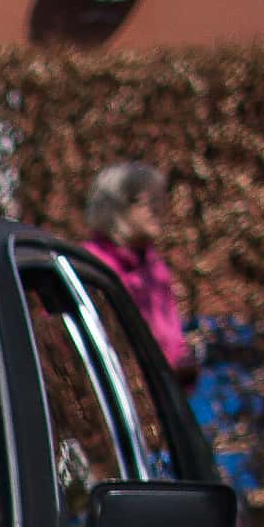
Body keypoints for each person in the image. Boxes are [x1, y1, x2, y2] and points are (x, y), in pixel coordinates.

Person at [83, 159, 196, 376]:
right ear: (112, 207)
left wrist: (184, 362)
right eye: (141, 200)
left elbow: (170, 343)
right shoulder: (90, 265)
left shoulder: (154, 268)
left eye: (158, 199)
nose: (154, 209)